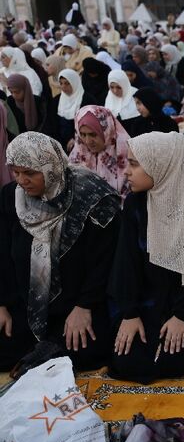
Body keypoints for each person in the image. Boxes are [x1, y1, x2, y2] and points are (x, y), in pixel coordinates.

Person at [109, 132, 184, 383]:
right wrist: (129, 314)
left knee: (172, 360)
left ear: (162, 165)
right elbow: (126, 264)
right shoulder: (136, 204)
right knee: (127, 360)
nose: (127, 172)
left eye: (135, 164)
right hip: (148, 304)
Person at [0, 132, 120, 372]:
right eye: (16, 172)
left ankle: (51, 347)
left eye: (30, 172)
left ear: (51, 167)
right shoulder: (10, 197)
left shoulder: (92, 197)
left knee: (86, 351)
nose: (22, 180)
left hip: (78, 305)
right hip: (27, 304)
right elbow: (2, 252)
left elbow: (106, 260)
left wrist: (84, 306)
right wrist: (1, 303)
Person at [68, 105, 131, 199]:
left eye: (93, 134)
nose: (88, 141)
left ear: (107, 130)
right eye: (83, 134)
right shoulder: (78, 154)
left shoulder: (127, 155)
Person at [41, 68, 98, 150]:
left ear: (74, 82)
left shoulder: (87, 100)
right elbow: (50, 122)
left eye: (67, 83)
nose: (63, 87)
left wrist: (76, 138)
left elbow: (90, 124)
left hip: (80, 142)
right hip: (59, 142)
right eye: (61, 83)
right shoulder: (57, 100)